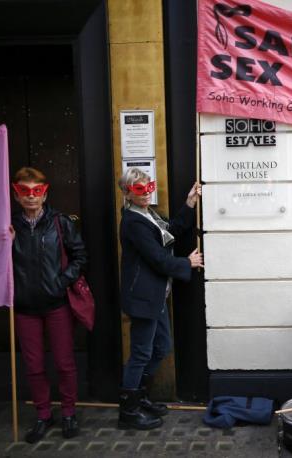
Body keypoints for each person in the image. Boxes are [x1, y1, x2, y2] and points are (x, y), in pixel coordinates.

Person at [117, 168, 203, 430]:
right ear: (127, 193)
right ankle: (128, 412)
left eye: (148, 186)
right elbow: (157, 258)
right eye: (139, 189)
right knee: (141, 353)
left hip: (156, 295)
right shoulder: (133, 222)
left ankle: (140, 397)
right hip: (143, 297)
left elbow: (172, 230)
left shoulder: (148, 215)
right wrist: (186, 263)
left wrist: (189, 203)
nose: (146, 193)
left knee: (162, 347)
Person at [9, 167, 87, 443]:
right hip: (24, 307)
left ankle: (68, 412)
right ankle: (43, 414)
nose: (31, 197)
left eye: (37, 191)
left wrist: (61, 282)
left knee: (65, 363)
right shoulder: (9, 226)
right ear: (16, 195)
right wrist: (2, 243)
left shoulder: (59, 222)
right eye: (25, 191)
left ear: (45, 193)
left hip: (56, 304)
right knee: (34, 366)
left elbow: (79, 256)